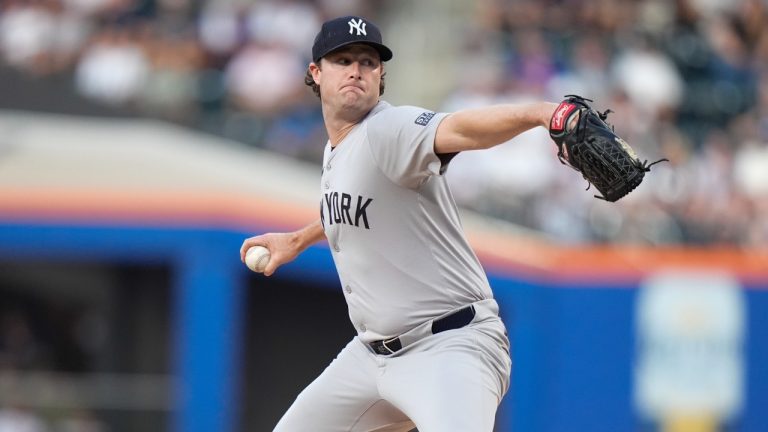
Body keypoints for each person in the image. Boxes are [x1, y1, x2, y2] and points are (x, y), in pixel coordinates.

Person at [240, 15, 559, 432]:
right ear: (316, 72)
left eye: (368, 62)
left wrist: (541, 112)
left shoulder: (388, 129)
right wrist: (298, 240)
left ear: (381, 75)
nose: (356, 70)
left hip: (450, 346)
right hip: (370, 358)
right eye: (343, 60)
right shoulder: (339, 147)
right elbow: (360, 205)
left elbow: (461, 129)